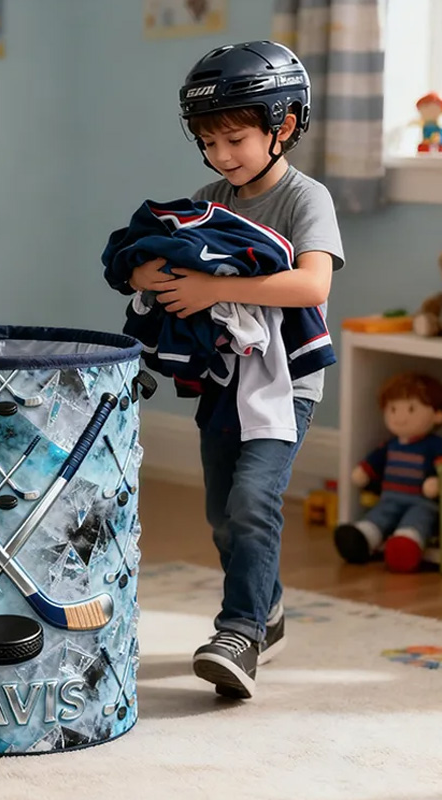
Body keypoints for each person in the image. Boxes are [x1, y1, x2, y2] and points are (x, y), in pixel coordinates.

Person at [126, 41, 345, 698]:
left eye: (235, 138)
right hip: (223, 380)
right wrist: (147, 273)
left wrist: (214, 289)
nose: (222, 156)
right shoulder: (208, 198)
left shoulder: (307, 200)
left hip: (284, 386)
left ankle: (241, 628)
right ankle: (268, 608)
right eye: (209, 141)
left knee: (254, 499)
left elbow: (311, 287)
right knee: (223, 512)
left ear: (283, 125)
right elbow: (156, 261)